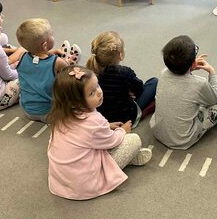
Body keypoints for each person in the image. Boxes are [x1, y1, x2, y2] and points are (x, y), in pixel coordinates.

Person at [47, 66, 152, 200]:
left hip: (61, 181)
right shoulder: (95, 121)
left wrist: (107, 126)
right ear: (76, 103)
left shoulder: (61, 116)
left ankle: (129, 158)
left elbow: (84, 134)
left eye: (97, 85)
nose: (99, 92)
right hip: (85, 184)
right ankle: (127, 160)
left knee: (97, 144)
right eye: (91, 93)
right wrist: (123, 130)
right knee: (134, 140)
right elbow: (112, 141)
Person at [150, 35, 217, 149]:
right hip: (182, 140)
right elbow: (214, 99)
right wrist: (212, 72)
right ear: (193, 63)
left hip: (157, 131)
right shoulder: (200, 83)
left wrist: (190, 68)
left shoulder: (163, 73)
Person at [86, 31, 157, 127]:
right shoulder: (125, 72)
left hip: (104, 118)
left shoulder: (91, 74)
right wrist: (131, 93)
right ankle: (142, 113)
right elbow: (139, 90)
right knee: (154, 82)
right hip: (126, 117)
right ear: (121, 55)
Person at [15, 18, 78, 122]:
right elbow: (68, 74)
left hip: (28, 110)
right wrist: (67, 62)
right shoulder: (57, 62)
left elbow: (37, 58)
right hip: (49, 113)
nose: (53, 36)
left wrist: (51, 52)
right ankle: (70, 59)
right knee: (71, 87)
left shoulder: (22, 56)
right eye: (51, 34)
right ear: (45, 45)